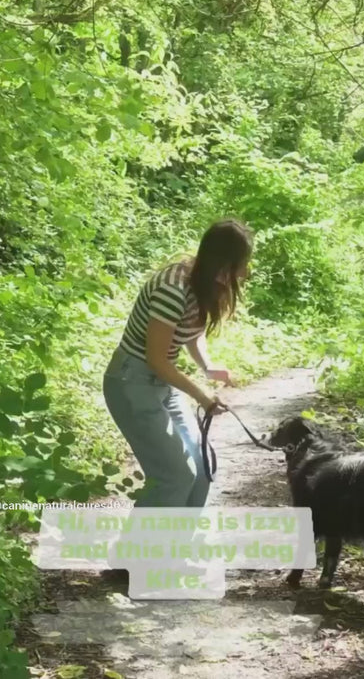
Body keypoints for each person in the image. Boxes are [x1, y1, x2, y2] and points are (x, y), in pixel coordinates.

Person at [102, 218, 254, 510]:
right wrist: (202, 395)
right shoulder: (172, 288)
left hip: (160, 383)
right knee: (175, 476)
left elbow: (191, 331)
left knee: (201, 470)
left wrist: (207, 366)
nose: (245, 273)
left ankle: (173, 553)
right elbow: (157, 359)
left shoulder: (203, 284)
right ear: (221, 262)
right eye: (240, 264)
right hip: (130, 383)